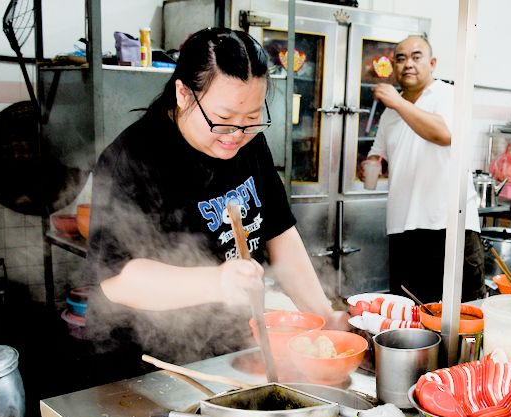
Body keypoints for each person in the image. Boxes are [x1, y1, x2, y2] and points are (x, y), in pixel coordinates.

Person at [85, 28, 348, 381]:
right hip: (146, 365)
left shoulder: (248, 143)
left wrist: (324, 317)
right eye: (222, 120)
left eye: (252, 118)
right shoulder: (131, 159)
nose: (236, 135)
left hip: (226, 349)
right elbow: (116, 280)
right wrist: (217, 282)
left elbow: (279, 233)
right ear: (182, 93)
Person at [361, 35, 485, 304]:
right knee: (411, 315)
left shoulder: (449, 95)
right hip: (403, 227)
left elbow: (443, 133)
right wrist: (370, 166)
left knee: (463, 313)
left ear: (432, 63)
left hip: (449, 223)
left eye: (416, 57)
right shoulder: (389, 114)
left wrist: (397, 102)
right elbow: (377, 155)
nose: (408, 64)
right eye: (401, 58)